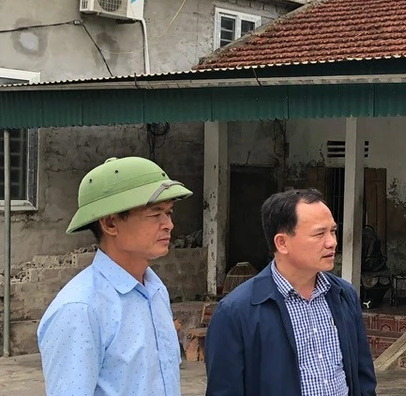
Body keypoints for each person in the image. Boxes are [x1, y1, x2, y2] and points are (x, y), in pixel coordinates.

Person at [38, 156, 193, 396]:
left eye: (169, 213)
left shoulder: (155, 290)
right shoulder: (80, 309)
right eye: (155, 214)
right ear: (111, 223)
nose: (168, 224)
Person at [204, 189, 376, 396]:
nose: (332, 242)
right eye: (319, 234)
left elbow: (363, 376)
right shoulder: (236, 311)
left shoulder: (343, 295)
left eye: (333, 231)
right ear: (282, 243)